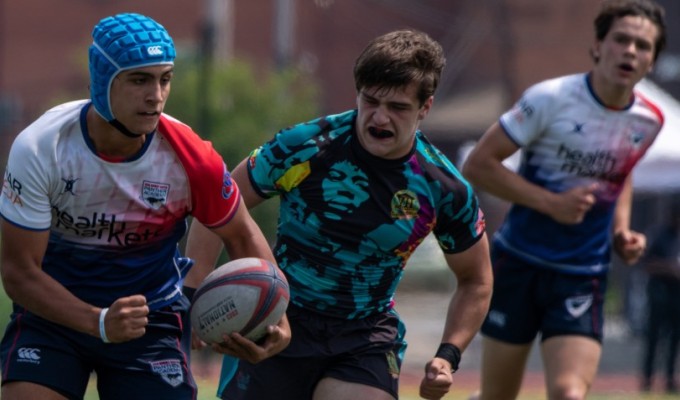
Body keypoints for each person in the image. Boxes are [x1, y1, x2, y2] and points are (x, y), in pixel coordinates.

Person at [184, 29, 493, 400]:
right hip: (276, 319)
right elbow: (216, 206)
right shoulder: (306, 146)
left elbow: (476, 279)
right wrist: (191, 295)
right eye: (371, 100)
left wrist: (447, 356)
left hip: (364, 336)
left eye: (397, 107)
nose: (379, 117)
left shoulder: (443, 186)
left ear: (425, 107)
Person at [0, 13, 290, 400]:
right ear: (104, 81)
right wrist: (98, 322)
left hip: (149, 321)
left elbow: (240, 235)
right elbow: (18, 272)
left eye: (164, 78)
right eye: (139, 79)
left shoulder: (191, 157)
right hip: (54, 316)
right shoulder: (41, 148)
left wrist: (279, 318)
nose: (156, 94)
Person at [461, 0, 667, 399]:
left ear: (652, 61)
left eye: (643, 46)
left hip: (582, 271)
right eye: (621, 39)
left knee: (569, 394)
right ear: (597, 46)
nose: (630, 51)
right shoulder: (549, 99)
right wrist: (550, 202)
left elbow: (620, 176)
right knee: (497, 396)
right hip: (519, 261)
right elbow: (478, 165)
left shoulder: (650, 120)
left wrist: (621, 230)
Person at [639, 203, 680, 393]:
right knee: (654, 340)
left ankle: (670, 380)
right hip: (659, 295)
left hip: (677, 298)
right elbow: (646, 263)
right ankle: (647, 381)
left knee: (674, 342)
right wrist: (669, 269)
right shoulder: (659, 235)